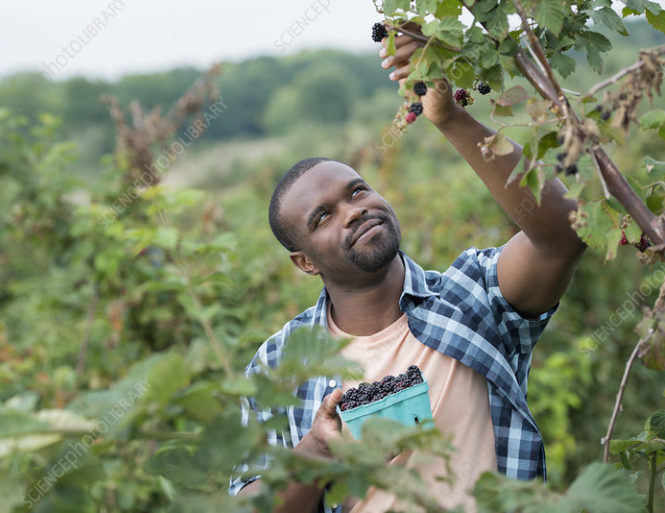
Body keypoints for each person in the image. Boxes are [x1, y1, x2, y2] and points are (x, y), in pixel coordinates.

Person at [229, 28, 586, 513]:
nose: (353, 210)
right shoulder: (279, 364)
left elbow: (562, 236)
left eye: (357, 192)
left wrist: (449, 116)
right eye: (323, 216)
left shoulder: (473, 296)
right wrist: (317, 451)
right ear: (304, 262)